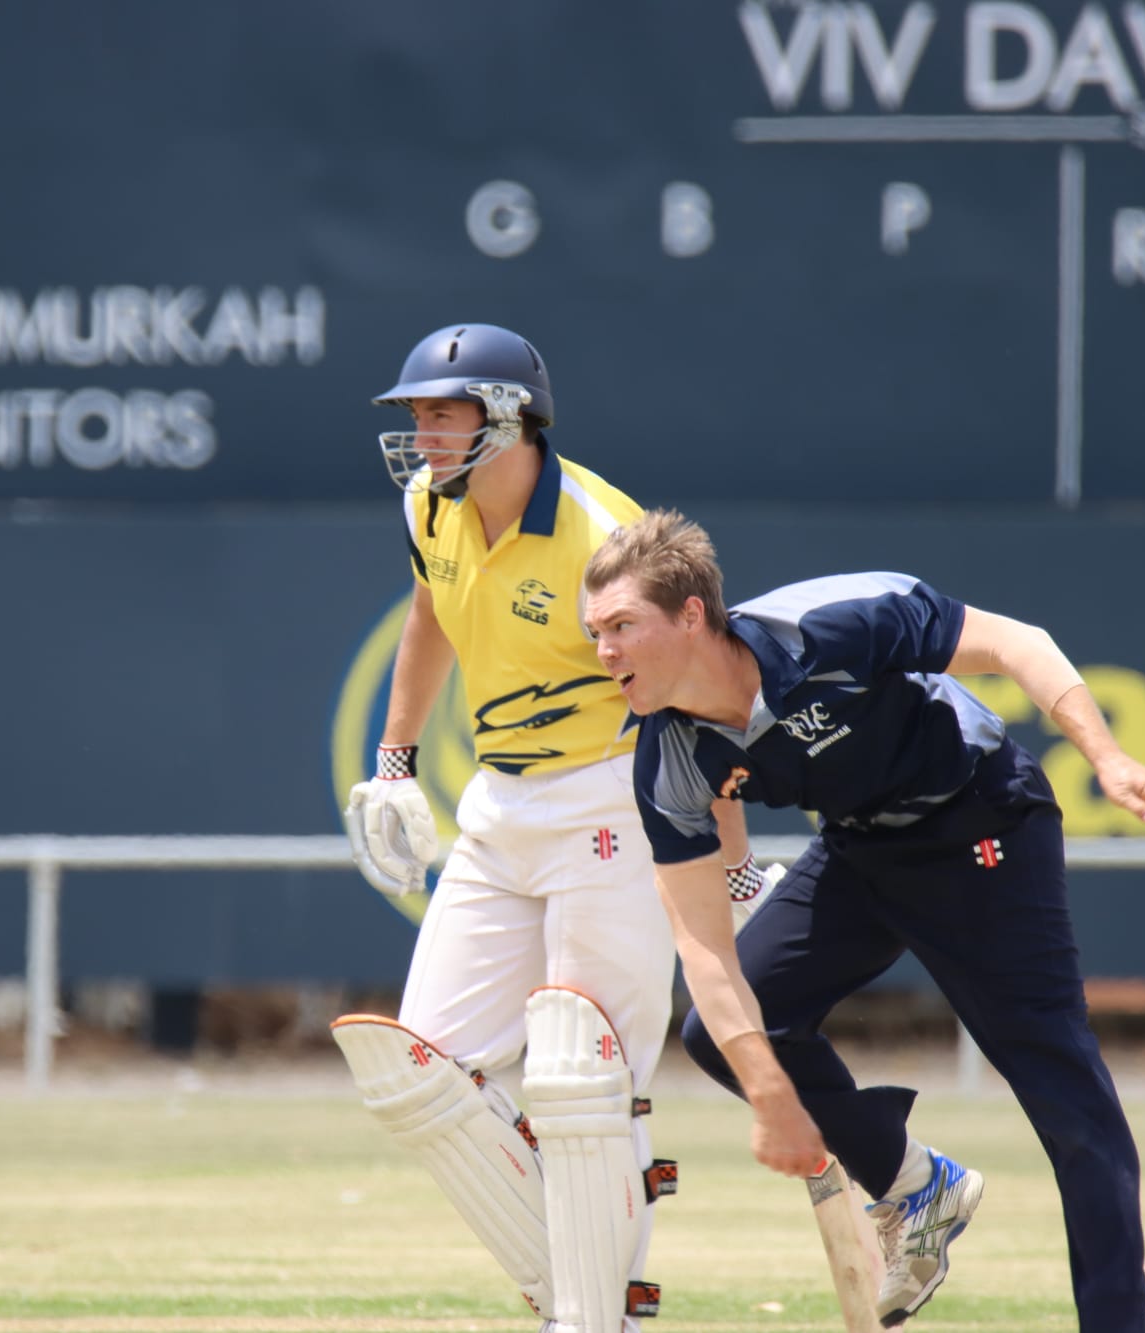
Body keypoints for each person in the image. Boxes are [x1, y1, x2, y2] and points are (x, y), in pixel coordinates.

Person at [579, 509, 1145, 1332]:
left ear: (692, 615)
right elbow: (703, 948)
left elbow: (1019, 642)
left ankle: (1120, 1322)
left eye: (623, 626)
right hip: (861, 851)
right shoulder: (665, 757)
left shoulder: (830, 625)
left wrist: (1107, 756)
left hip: (983, 824)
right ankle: (917, 1185)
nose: (605, 651)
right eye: (596, 631)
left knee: (1065, 1094)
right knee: (721, 1032)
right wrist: (770, 1091)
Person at [333, 326, 750, 1333]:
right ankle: (593, 1290)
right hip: (499, 801)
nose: (424, 434)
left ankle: (590, 1315)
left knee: (579, 1076)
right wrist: (393, 761)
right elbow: (432, 611)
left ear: (509, 415)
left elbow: (701, 694)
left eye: (444, 413)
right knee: (414, 1072)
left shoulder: (603, 538)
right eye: (416, 415)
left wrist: (728, 867)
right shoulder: (427, 505)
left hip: (613, 794)